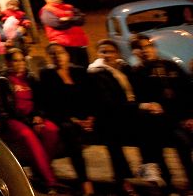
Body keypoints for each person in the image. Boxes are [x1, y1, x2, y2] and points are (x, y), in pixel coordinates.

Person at [0, 48, 64, 194]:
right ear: (8, 62)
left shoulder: (30, 77)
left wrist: (38, 116)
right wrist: (30, 122)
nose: (20, 63)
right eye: (15, 60)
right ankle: (51, 181)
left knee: (52, 130)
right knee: (28, 135)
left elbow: (40, 101)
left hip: (33, 118)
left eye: (22, 60)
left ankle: (39, 171)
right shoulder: (1, 80)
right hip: (13, 119)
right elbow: (2, 108)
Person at [129, 33, 193, 189]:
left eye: (148, 46)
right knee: (165, 139)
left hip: (179, 119)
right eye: (139, 48)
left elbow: (188, 92)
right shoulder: (135, 73)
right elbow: (133, 100)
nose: (145, 50)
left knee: (182, 140)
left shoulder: (171, 66)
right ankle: (166, 182)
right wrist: (147, 105)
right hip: (155, 122)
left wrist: (190, 117)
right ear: (134, 52)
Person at [38, 43, 96, 196]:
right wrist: (75, 120)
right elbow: (51, 104)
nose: (57, 56)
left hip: (88, 116)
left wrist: (90, 117)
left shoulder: (79, 71)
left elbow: (93, 96)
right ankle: (85, 181)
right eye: (53, 54)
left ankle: (123, 180)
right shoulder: (47, 74)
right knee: (69, 131)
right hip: (64, 117)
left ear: (67, 55)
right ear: (49, 58)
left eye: (60, 53)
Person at [87, 38, 141, 195]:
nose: (107, 55)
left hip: (129, 111)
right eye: (103, 51)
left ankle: (147, 175)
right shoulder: (96, 72)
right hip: (111, 115)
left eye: (110, 51)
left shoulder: (123, 67)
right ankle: (123, 180)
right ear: (97, 53)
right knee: (113, 139)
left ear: (117, 53)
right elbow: (107, 101)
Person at [39, 0, 90, 67]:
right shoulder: (46, 10)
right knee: (71, 70)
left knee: (85, 69)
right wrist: (74, 20)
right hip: (63, 46)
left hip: (80, 44)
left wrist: (68, 19)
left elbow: (82, 20)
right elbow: (59, 25)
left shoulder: (69, 7)